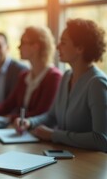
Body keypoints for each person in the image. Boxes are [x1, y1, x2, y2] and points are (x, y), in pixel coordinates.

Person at [14, 19, 107, 152]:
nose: (57, 47)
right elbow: (52, 116)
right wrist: (30, 122)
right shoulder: (67, 76)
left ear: (80, 48)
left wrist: (53, 135)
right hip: (68, 157)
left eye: (63, 42)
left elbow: (101, 140)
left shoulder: (97, 83)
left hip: (88, 164)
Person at [0, 26, 62, 122]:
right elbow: (7, 105)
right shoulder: (24, 76)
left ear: (35, 47)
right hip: (20, 130)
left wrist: (10, 118)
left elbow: (41, 114)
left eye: (23, 43)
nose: (18, 47)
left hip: (37, 134)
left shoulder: (53, 77)